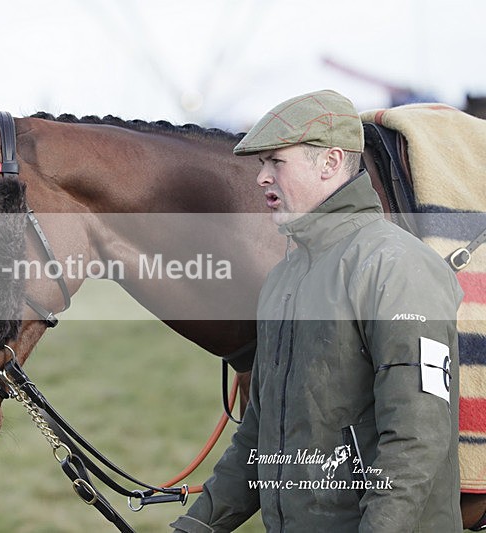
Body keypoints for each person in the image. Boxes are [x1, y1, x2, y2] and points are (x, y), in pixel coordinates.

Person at [171, 90, 464, 532]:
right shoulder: (282, 281)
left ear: (329, 163)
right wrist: (194, 527)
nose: (261, 178)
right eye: (261, 165)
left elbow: (416, 438)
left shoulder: (396, 266)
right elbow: (258, 436)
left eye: (276, 162)